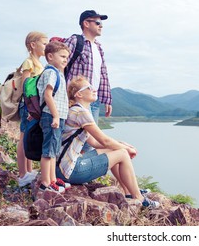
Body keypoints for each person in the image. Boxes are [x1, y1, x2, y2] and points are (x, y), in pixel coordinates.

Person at [55, 76, 159, 208]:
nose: (94, 89)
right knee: (122, 154)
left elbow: (95, 142)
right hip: (70, 171)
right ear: (79, 94)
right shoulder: (80, 112)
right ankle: (139, 198)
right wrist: (126, 149)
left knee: (116, 150)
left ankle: (128, 191)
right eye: (89, 88)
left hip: (63, 168)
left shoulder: (78, 110)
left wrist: (121, 143)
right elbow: (104, 140)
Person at [63, 10, 112, 124]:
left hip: (93, 100)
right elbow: (60, 64)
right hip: (76, 99)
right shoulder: (75, 41)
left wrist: (107, 100)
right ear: (86, 23)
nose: (101, 26)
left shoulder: (99, 47)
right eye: (98, 22)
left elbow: (103, 74)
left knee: (88, 139)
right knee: (73, 137)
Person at [37, 41, 71, 192]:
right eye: (62, 56)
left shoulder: (58, 73)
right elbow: (48, 95)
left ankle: (52, 179)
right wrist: (56, 116)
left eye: (66, 57)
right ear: (50, 56)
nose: (65, 60)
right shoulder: (51, 72)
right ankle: (46, 183)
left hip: (57, 116)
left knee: (54, 150)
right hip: (52, 116)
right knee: (49, 151)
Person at [17, 31, 48, 187]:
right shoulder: (29, 62)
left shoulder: (39, 63)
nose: (46, 46)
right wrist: (31, 108)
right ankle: (22, 174)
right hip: (29, 105)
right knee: (23, 138)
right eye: (44, 43)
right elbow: (26, 85)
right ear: (33, 45)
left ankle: (28, 171)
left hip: (33, 106)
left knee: (28, 136)